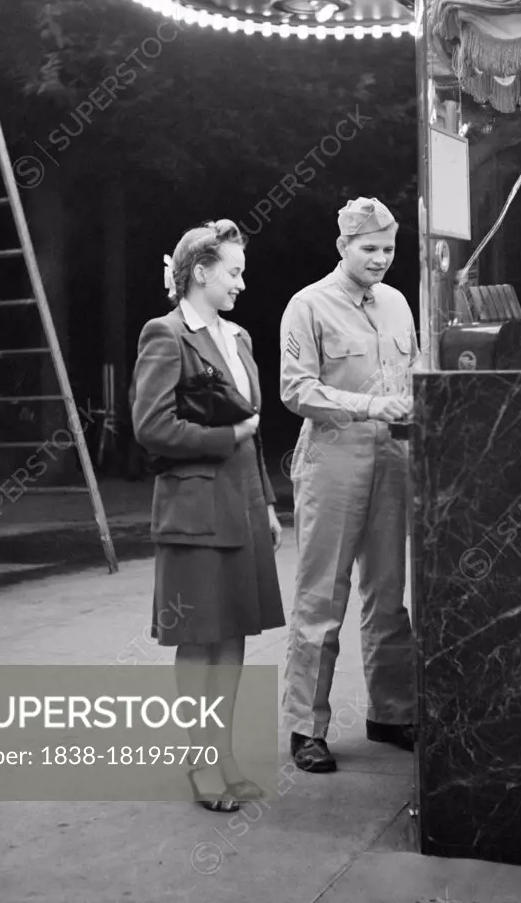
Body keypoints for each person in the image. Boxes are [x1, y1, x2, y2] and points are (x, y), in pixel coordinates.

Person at [131, 219, 284, 813]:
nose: (242, 284)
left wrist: (267, 502)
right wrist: (225, 435)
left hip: (241, 503)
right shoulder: (164, 334)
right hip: (193, 509)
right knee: (199, 639)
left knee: (234, 633)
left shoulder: (237, 338)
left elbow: (254, 430)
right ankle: (199, 762)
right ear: (200, 272)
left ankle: (222, 756)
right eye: (234, 272)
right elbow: (152, 427)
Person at [279, 196, 418, 774]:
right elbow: (295, 389)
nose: (381, 258)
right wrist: (370, 405)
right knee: (321, 598)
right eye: (370, 249)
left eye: (388, 248)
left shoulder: (398, 304)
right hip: (332, 461)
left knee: (388, 596)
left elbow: (414, 375)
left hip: (393, 460)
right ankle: (305, 726)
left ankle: (392, 711)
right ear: (343, 248)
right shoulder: (307, 306)